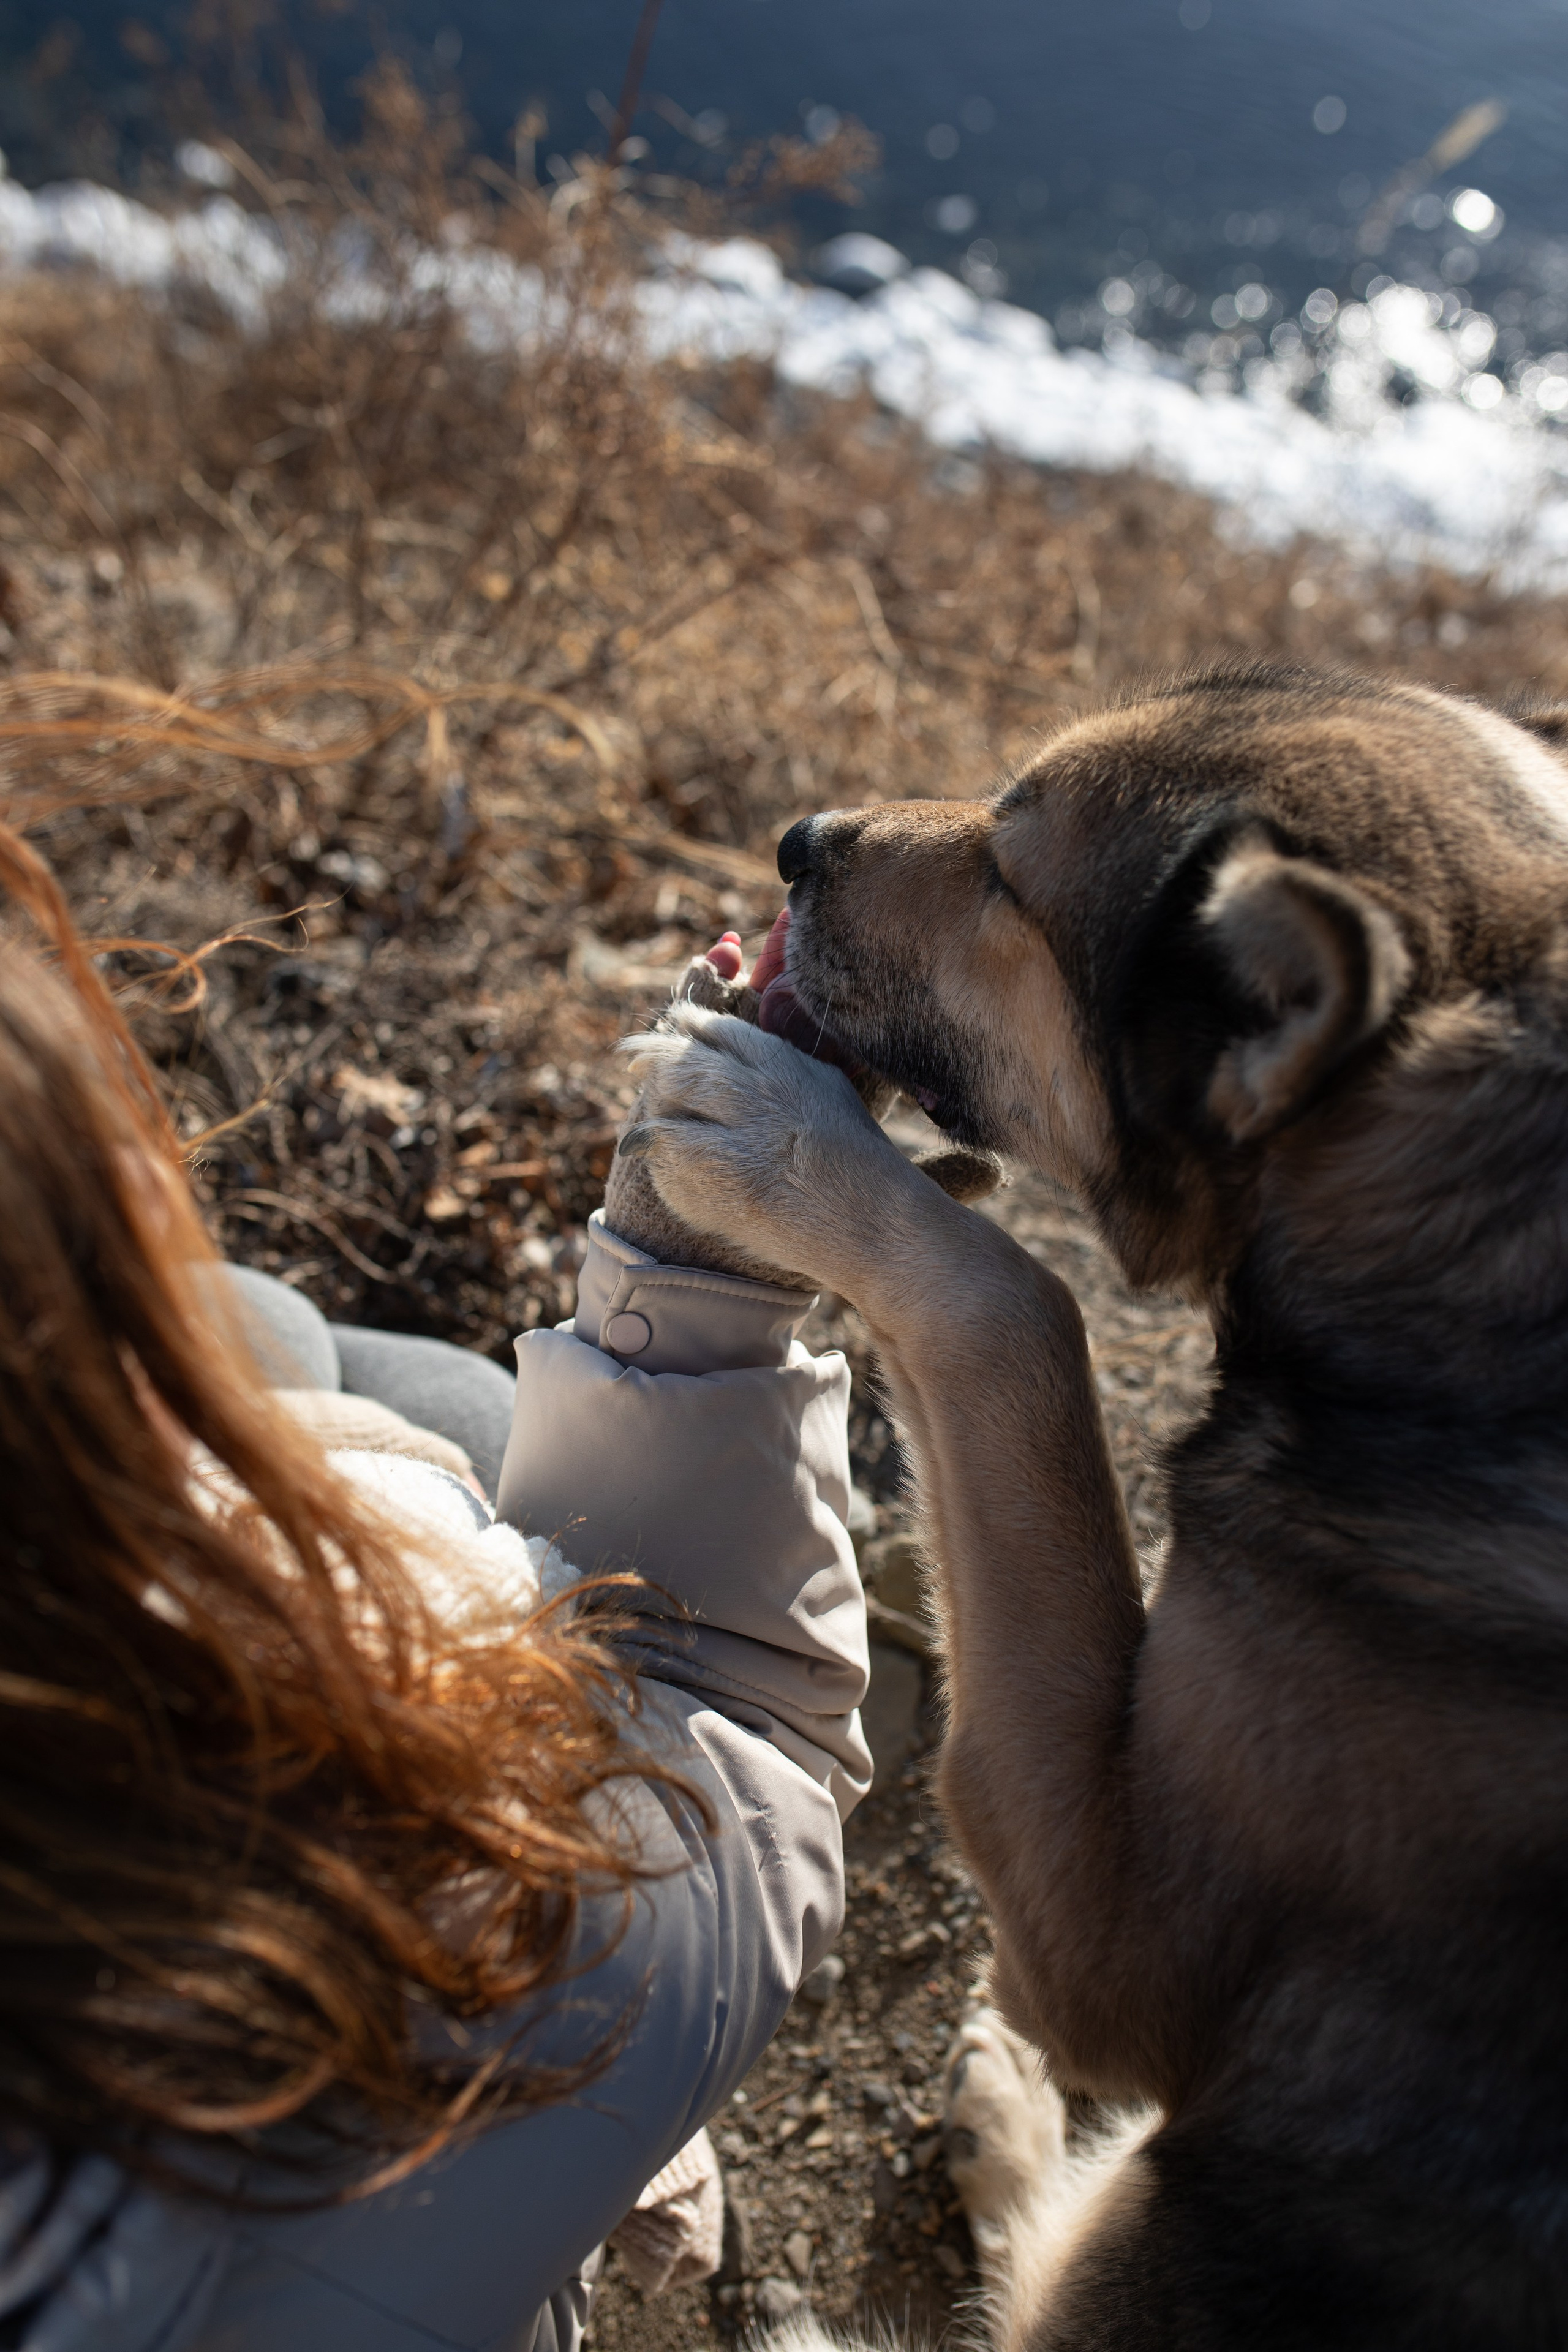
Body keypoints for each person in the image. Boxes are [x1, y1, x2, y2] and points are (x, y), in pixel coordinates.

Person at [0, 833, 870, 2350]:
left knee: (266, 1328)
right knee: (451, 1424)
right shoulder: (364, 1878)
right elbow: (733, 1738)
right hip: (446, 2148)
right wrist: (698, 1258)